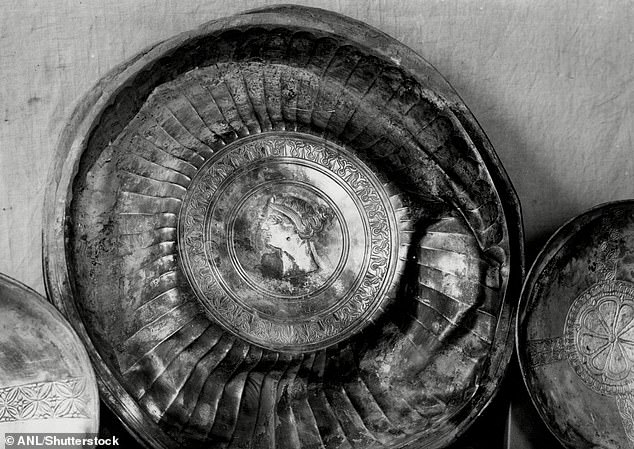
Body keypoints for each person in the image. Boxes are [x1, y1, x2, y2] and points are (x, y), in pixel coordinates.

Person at [258, 194, 334, 280]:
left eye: (273, 220)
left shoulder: (318, 280)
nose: (263, 227)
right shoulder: (273, 269)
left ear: (296, 228)